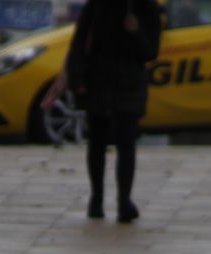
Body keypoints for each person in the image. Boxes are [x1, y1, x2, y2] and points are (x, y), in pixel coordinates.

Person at [43, 0, 162, 223]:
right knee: (97, 140)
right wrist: (76, 78)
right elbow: (79, 42)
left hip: (129, 83)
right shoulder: (97, 6)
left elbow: (150, 52)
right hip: (98, 80)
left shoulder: (145, 8)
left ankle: (124, 200)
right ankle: (96, 198)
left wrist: (135, 31)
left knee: (126, 142)